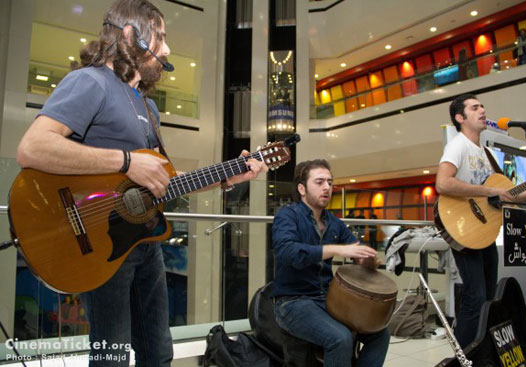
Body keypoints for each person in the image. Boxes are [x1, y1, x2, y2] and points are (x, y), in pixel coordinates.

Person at [15, 0, 267, 365]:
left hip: (143, 242)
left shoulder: (147, 106)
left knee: (158, 353)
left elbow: (160, 179)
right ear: (132, 36)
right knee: (112, 357)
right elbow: (32, 147)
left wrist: (228, 176)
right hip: (98, 243)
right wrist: (127, 161)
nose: (167, 49)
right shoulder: (90, 81)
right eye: (160, 38)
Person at [435, 93, 526, 348]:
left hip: (483, 232)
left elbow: (507, 195)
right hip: (464, 228)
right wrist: (489, 192)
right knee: (475, 298)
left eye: (482, 106)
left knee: (487, 298)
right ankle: (463, 357)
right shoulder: (458, 145)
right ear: (460, 117)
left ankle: (482, 351)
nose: (482, 110)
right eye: (475, 108)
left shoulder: (485, 153)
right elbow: (443, 183)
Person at [271, 159, 390, 367]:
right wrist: (337, 249)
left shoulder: (334, 223)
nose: (327, 187)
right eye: (319, 182)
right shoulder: (287, 215)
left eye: (330, 182)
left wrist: (366, 259)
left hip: (328, 299)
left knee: (380, 332)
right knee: (340, 338)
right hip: (292, 302)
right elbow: (288, 253)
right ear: (302, 188)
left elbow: (355, 250)